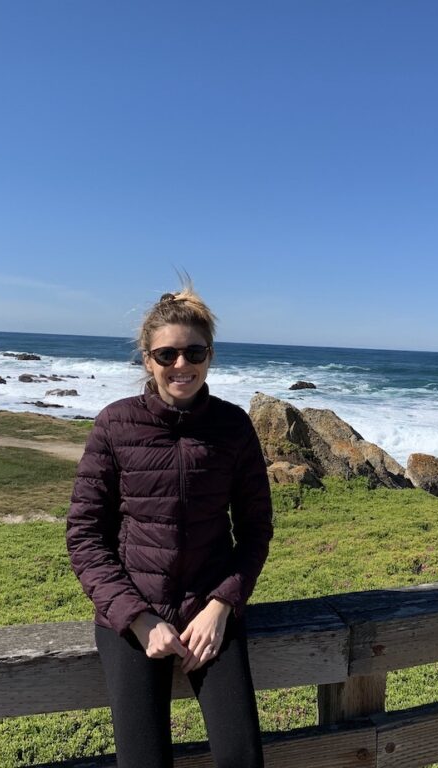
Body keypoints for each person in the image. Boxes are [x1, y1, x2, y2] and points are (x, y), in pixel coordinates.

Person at [66, 283, 273, 768]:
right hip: (133, 615)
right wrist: (138, 618)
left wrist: (222, 605)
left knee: (242, 757)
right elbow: (84, 534)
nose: (181, 365)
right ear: (147, 360)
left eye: (194, 351)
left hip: (210, 611)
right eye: (167, 354)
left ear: (210, 355)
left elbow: (256, 529)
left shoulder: (233, 426)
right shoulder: (115, 425)